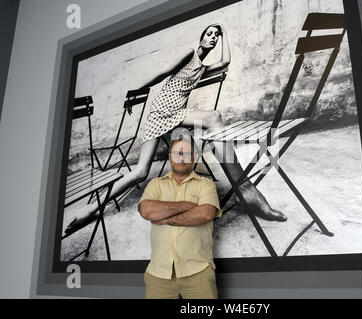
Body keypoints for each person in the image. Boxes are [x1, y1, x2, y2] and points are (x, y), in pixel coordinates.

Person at [65, 23, 286, 235]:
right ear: (201, 38)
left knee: (214, 117)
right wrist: (135, 92)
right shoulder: (190, 54)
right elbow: (162, 73)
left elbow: (226, 61)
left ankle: (245, 190)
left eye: (216, 36)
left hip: (176, 114)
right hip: (160, 113)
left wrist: (224, 32)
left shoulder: (203, 67)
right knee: (140, 172)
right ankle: (91, 208)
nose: (213, 37)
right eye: (209, 33)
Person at [139, 129, 221, 299]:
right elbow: (146, 210)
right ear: (170, 156)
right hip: (158, 274)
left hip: (197, 272)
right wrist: (187, 205)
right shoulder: (156, 184)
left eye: (187, 153)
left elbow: (205, 214)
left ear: (194, 157)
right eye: (177, 152)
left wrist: (164, 218)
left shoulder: (206, 185)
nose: (181, 157)